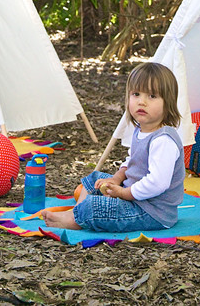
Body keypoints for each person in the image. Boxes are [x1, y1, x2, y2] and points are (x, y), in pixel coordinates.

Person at [42, 62, 184, 231]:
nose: (142, 102)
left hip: (151, 212)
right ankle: (75, 214)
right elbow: (132, 160)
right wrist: (116, 179)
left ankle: (77, 218)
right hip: (133, 197)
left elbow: (157, 183)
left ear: (168, 103)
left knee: (94, 206)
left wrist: (123, 193)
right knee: (95, 179)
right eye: (136, 94)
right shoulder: (141, 130)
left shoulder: (164, 140)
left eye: (152, 96)